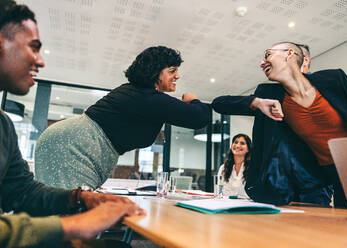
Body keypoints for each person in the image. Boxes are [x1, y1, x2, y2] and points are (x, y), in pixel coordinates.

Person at [0, 1, 144, 248]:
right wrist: (75, 225)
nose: (40, 61)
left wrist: (80, 198)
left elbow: (22, 191)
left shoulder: (3, 125)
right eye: (33, 48)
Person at [212, 41, 347, 207]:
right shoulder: (270, 95)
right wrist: (257, 102)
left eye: (268, 55)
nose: (262, 62)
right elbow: (219, 103)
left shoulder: (334, 79)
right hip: (321, 177)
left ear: (289, 54)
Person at [35, 45, 210, 190]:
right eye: (172, 71)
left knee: (63, 210)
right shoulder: (148, 98)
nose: (177, 76)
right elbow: (200, 117)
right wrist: (193, 99)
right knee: (70, 214)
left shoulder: (137, 93)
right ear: (155, 72)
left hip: (68, 141)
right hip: (73, 146)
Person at [217, 133, 251, 198]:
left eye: (242, 143)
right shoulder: (223, 168)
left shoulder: (252, 168)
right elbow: (219, 191)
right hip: (225, 204)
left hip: (245, 205)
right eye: (235, 142)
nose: (237, 146)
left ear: (248, 149)